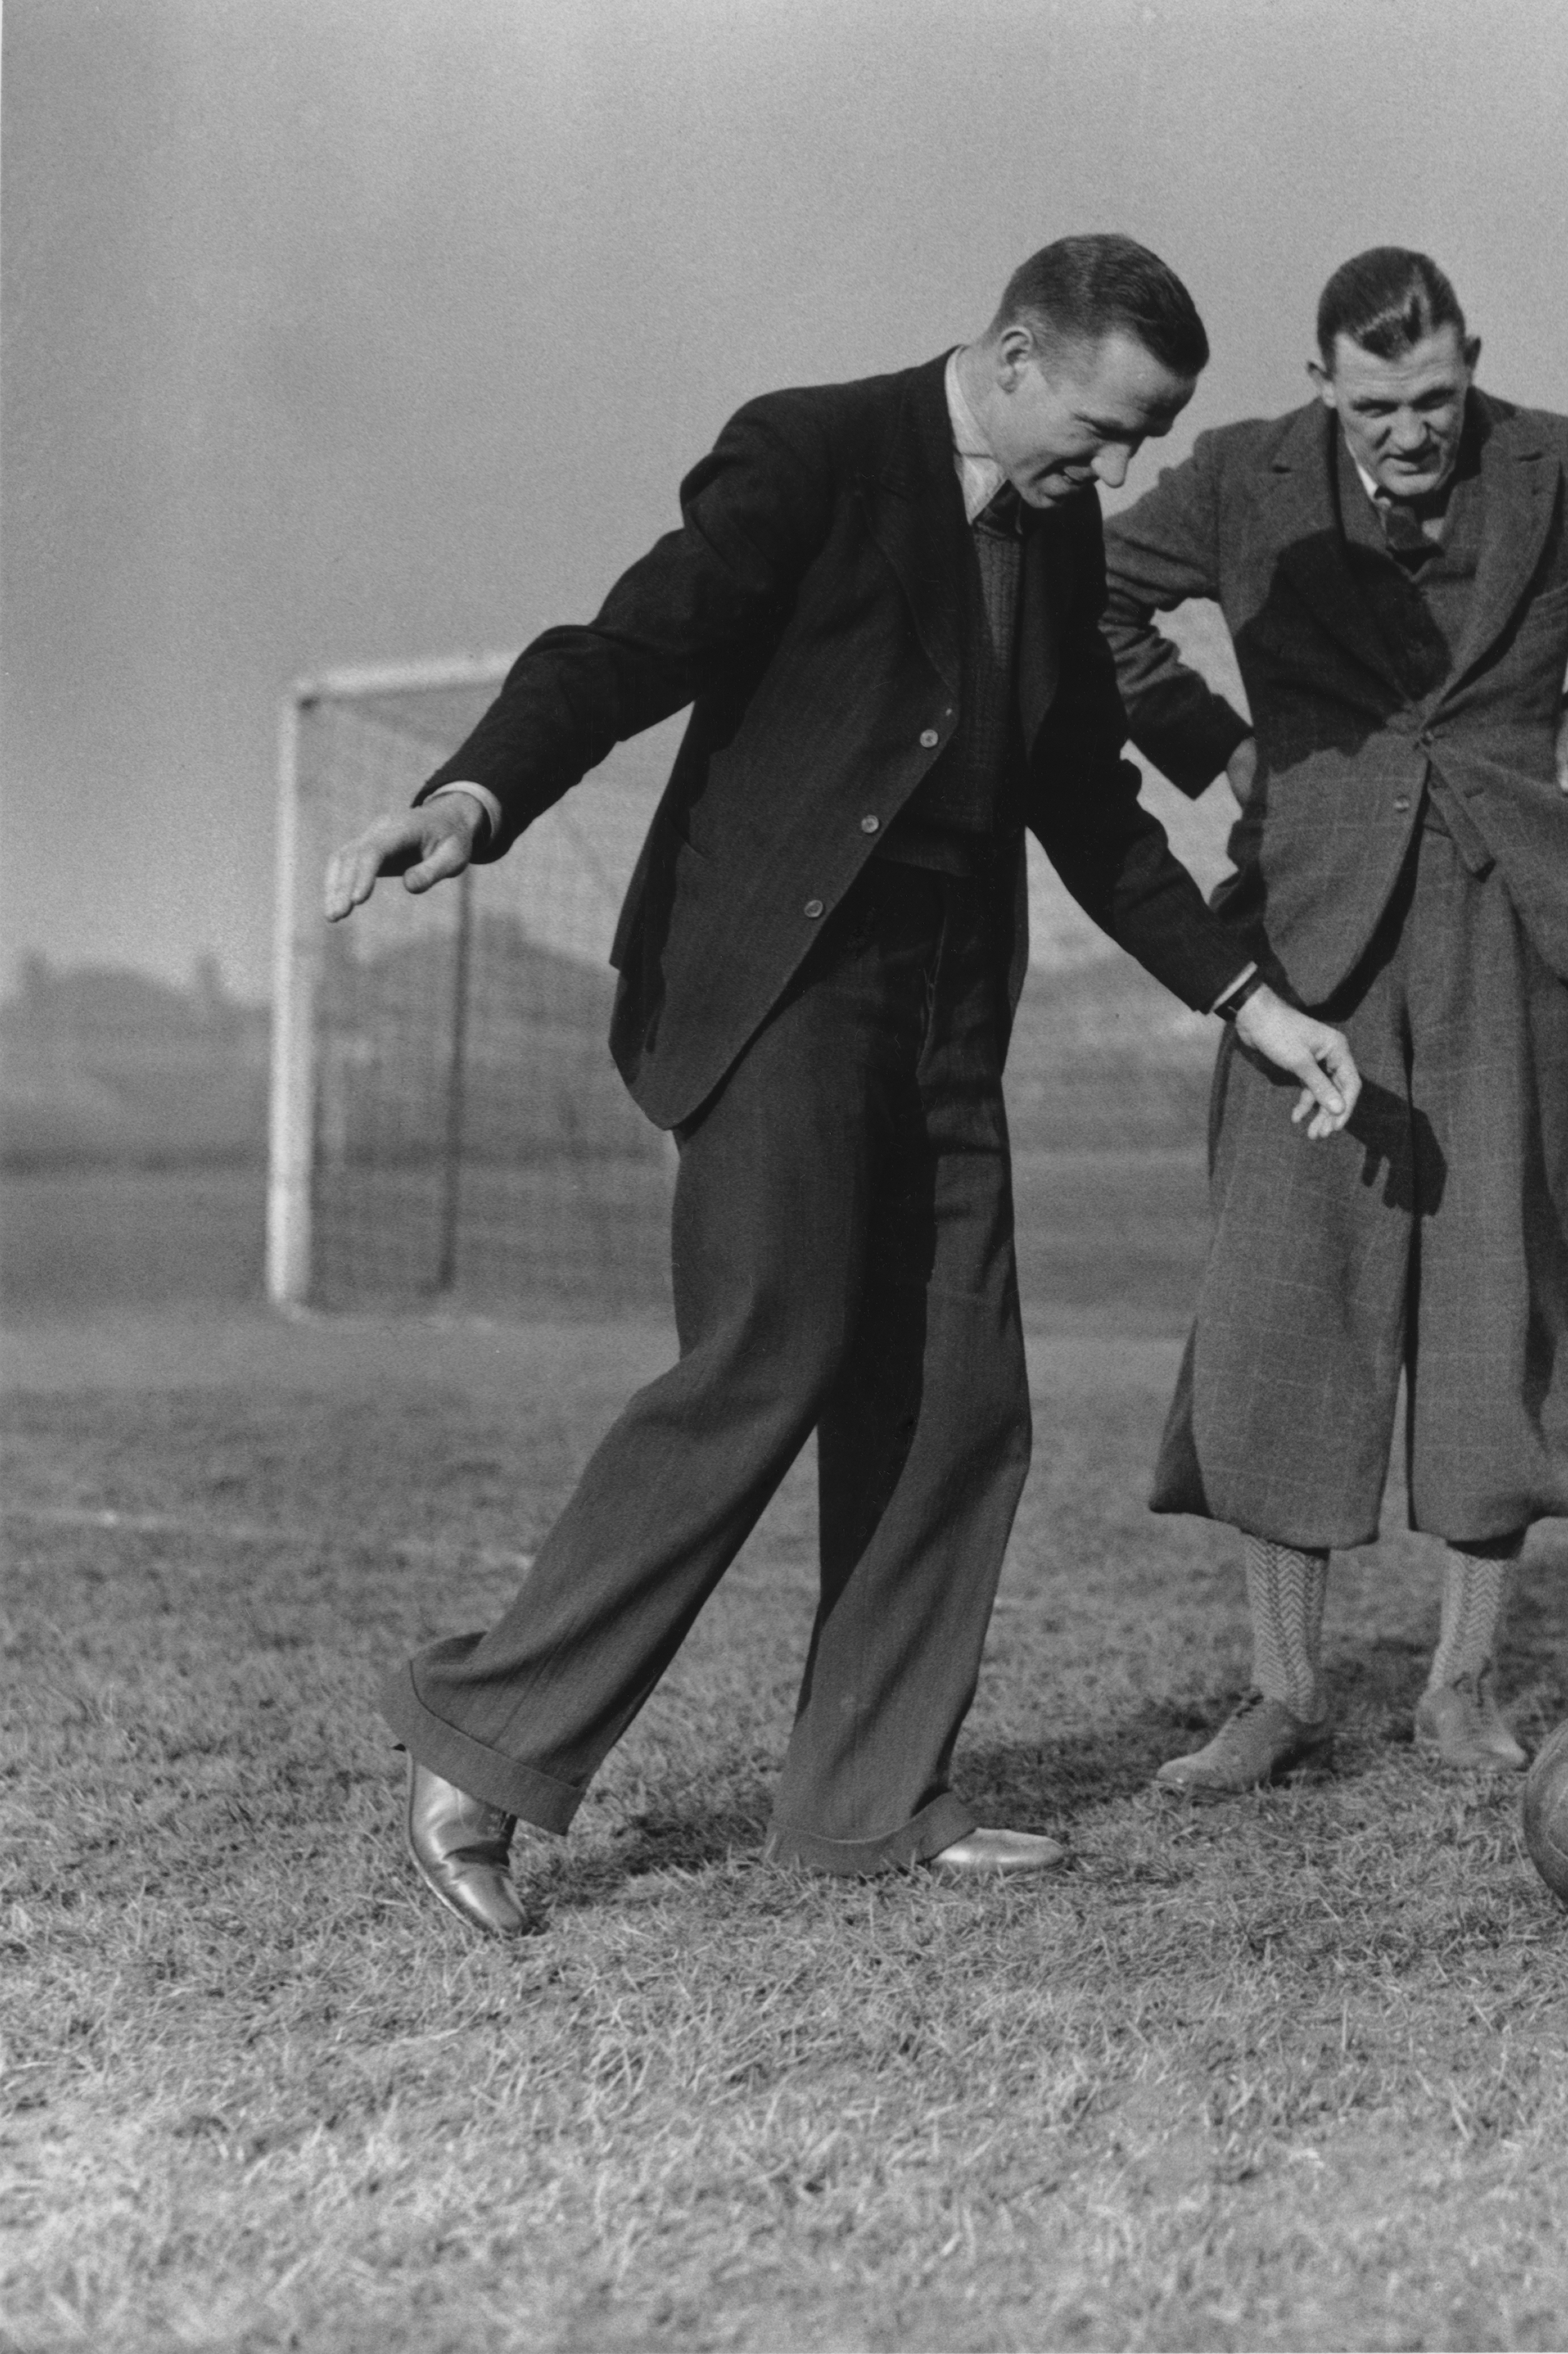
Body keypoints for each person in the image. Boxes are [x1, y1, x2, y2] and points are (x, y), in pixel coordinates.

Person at [323, 236, 1358, 1938]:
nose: (1126, 468)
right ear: (1016, 355)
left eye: (1152, 436)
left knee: (961, 1392)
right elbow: (621, 649)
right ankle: (482, 1745)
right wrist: (475, 795)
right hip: (775, 990)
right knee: (773, 1347)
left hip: (947, 1009)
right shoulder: (809, 451)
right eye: (1110, 427)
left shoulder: (1058, 519)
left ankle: (868, 1799)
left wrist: (1248, 999)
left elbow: (1084, 802)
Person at [1101, 247, 1568, 1791]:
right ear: (1322, 376)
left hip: (1506, 923)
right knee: (1283, 1296)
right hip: (1306, 940)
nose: (1414, 430)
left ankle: (1465, 1686)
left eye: (1440, 397)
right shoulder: (1235, 479)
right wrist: (1214, 748)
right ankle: (1280, 1692)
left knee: (1495, 1294)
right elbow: (1090, 600)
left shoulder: (1561, 467)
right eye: (1381, 401)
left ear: (1476, 359)